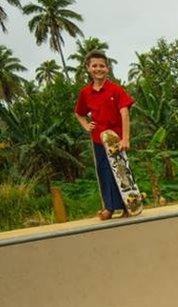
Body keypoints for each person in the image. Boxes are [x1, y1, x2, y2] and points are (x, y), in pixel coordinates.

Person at [74, 51, 135, 220]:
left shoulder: (115, 89)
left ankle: (127, 205)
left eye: (102, 66)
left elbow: (124, 113)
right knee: (104, 173)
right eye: (94, 66)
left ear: (107, 69)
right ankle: (108, 207)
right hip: (99, 140)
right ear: (88, 68)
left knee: (121, 172)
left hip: (116, 140)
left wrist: (126, 138)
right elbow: (79, 113)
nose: (98, 69)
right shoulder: (85, 93)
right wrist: (86, 125)